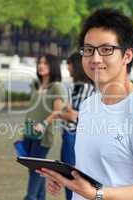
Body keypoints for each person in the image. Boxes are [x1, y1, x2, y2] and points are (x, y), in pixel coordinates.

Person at [37, 8, 133, 200]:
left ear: (127, 55)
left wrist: (98, 194)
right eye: (88, 50)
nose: (95, 58)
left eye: (106, 50)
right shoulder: (88, 105)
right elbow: (93, 167)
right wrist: (67, 178)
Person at [22, 53, 68, 200]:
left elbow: (58, 111)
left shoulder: (56, 87)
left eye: (45, 63)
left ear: (53, 67)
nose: (41, 66)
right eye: (40, 63)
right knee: (34, 170)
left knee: (36, 170)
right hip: (29, 133)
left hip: (43, 136)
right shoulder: (36, 85)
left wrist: (43, 124)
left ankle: (30, 197)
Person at [57, 52, 94, 200]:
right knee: (70, 179)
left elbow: (74, 116)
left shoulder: (85, 87)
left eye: (69, 64)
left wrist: (59, 111)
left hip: (74, 137)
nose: (67, 67)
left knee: (72, 178)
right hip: (70, 136)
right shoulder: (78, 87)